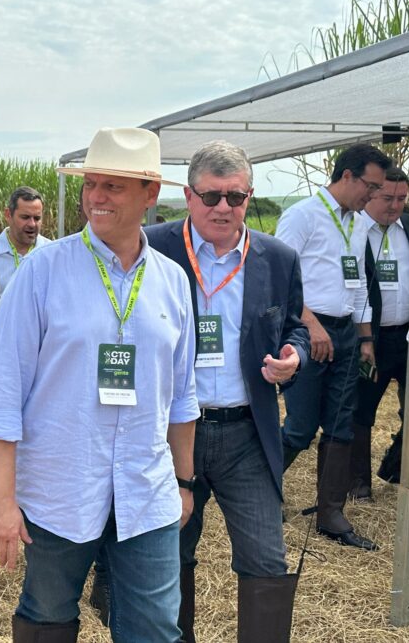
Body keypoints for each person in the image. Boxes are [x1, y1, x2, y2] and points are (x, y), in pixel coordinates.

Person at [0, 127, 199, 642]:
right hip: (59, 488)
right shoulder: (42, 271)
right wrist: (1, 500)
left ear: (150, 193)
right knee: (48, 614)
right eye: (91, 184)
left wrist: (184, 483)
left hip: (147, 492)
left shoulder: (171, 280)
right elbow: (3, 389)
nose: (96, 197)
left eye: (113, 186)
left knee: (155, 628)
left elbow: (183, 395)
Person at [144, 140, 309, 642]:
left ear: (250, 197)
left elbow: (294, 326)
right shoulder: (152, 248)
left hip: (246, 434)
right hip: (172, 434)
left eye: (235, 198)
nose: (223, 208)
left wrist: (293, 357)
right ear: (188, 197)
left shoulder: (277, 257)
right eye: (211, 196)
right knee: (170, 554)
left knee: (266, 558)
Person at [274, 143, 391, 551]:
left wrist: (363, 338)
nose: (373, 196)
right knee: (301, 426)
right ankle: (263, 491)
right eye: (371, 186)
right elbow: (278, 281)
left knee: (341, 423)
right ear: (347, 176)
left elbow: (357, 284)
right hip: (307, 332)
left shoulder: (358, 224)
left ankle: (330, 512)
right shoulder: (301, 217)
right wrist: (311, 325)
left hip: (344, 332)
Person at [348, 167, 409, 501]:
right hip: (370, 340)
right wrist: (363, 338)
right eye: (386, 197)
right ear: (371, 194)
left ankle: (396, 467)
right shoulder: (354, 230)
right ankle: (358, 484)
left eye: (401, 198)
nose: (394, 205)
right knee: (361, 412)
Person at [0, 186, 51, 294]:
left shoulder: (52, 254)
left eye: (37, 218)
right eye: (25, 217)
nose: (32, 224)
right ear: (8, 215)